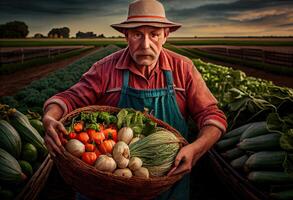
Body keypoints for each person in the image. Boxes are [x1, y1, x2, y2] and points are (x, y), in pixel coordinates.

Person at [43, 0, 227, 199]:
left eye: (154, 34)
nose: (145, 44)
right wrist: (51, 117)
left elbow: (213, 116)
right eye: (138, 34)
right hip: (111, 182)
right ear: (126, 36)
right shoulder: (105, 69)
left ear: (165, 35)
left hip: (167, 184)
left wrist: (195, 149)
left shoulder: (183, 69)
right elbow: (69, 98)